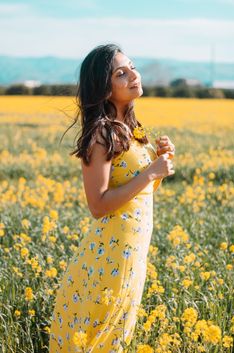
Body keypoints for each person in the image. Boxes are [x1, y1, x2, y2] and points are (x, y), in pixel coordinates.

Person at [49, 43, 175, 353]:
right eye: (121, 73)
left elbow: (136, 194)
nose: (134, 74)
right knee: (98, 336)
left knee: (116, 335)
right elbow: (98, 205)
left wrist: (159, 163)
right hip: (110, 255)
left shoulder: (132, 129)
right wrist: (149, 173)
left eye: (132, 66)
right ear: (104, 89)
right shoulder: (100, 134)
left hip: (131, 252)